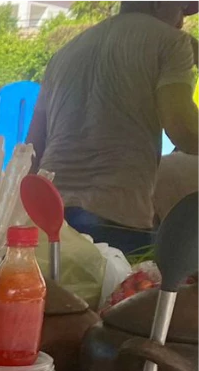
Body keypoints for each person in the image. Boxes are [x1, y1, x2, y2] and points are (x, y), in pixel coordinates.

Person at [27, 0, 199, 255]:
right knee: (119, 294)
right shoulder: (172, 42)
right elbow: (183, 128)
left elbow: (32, 148)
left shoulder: (64, 54)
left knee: (56, 294)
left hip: (51, 219)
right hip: (118, 220)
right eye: (182, 9)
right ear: (158, 2)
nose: (182, 21)